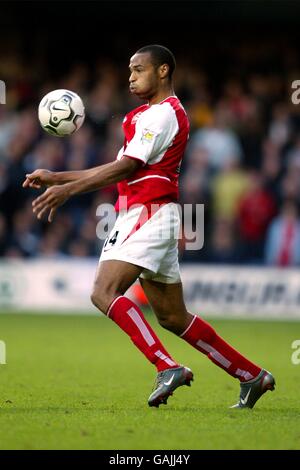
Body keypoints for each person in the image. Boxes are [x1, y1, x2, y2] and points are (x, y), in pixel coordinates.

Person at [23, 44, 275, 409]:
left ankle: (165, 365)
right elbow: (113, 167)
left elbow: (125, 168)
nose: (130, 77)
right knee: (174, 317)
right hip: (150, 213)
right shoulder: (145, 116)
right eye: (129, 70)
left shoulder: (164, 114)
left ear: (163, 71)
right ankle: (251, 375)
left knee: (103, 292)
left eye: (138, 69)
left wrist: (66, 191)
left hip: (148, 211)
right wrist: (56, 177)